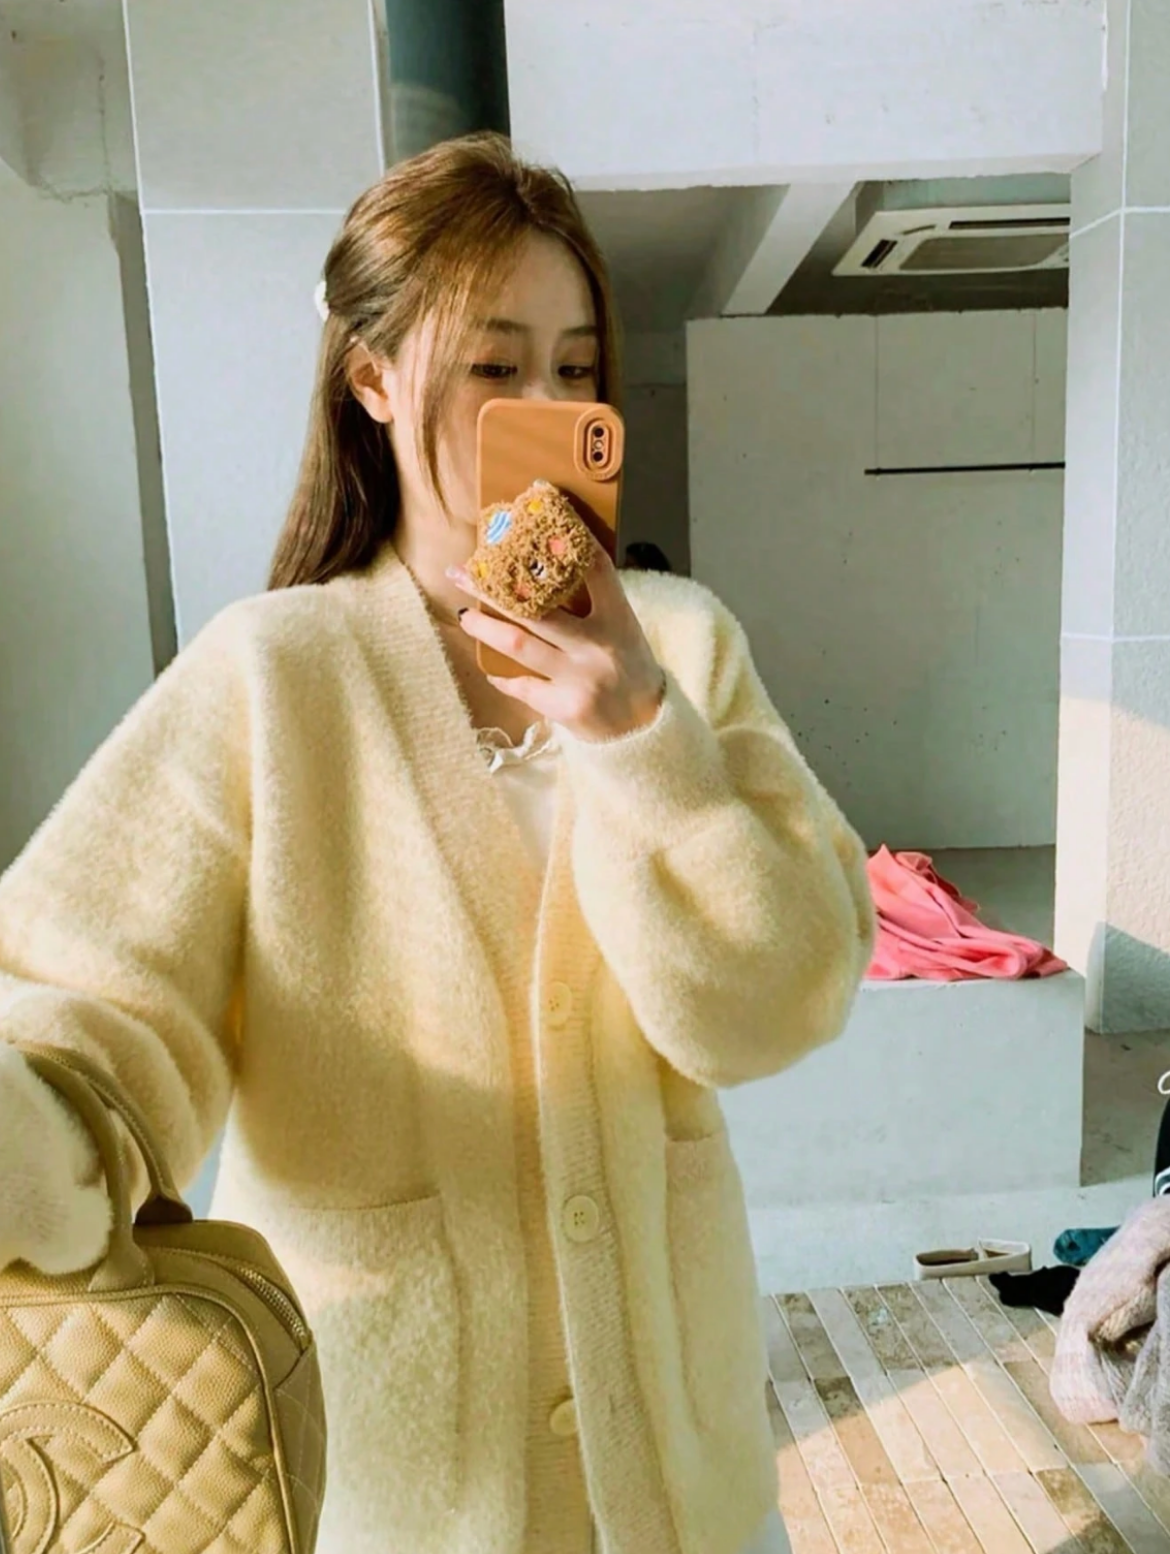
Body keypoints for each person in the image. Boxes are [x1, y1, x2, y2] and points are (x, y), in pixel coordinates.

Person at [0, 134, 875, 1554]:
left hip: (685, 1489)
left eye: (577, 367)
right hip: (406, 1493)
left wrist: (641, 736)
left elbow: (779, 1003)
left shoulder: (683, 646)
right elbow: (86, 1026)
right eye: (495, 365)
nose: (551, 409)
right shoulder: (271, 676)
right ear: (370, 379)